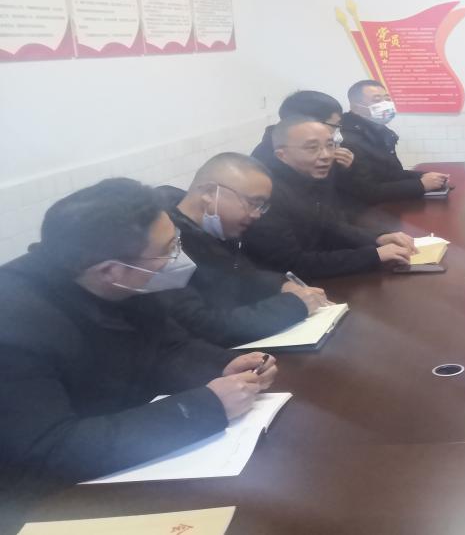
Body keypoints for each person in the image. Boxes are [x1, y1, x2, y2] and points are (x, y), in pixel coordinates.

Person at [0, 179, 278, 516]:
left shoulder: (124, 282)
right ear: (110, 270)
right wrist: (206, 407)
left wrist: (223, 365)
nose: (177, 257)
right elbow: (51, 449)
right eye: (168, 249)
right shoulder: (14, 327)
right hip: (48, 499)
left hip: (127, 452)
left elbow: (168, 347)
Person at [160, 152, 331, 347]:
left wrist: (281, 285)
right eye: (253, 203)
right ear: (209, 192)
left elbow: (242, 274)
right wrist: (294, 305)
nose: (257, 215)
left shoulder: (219, 229)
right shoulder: (165, 245)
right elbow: (201, 325)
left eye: (262, 206)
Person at [242, 116, 416, 279]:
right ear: (282, 156)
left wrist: (377, 238)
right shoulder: (267, 193)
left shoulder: (316, 176)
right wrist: (372, 255)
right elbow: (292, 264)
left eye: (330, 145)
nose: (326, 155)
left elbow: (329, 226)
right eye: (312, 148)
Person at [340, 80, 449, 203]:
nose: (385, 104)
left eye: (387, 99)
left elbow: (391, 174)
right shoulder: (349, 140)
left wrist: (423, 176)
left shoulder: (378, 131)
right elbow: (367, 191)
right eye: (377, 100)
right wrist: (420, 185)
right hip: (367, 210)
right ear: (356, 107)